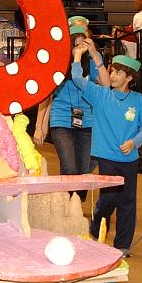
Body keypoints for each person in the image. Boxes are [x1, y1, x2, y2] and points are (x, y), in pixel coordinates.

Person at [70, 51, 142, 256]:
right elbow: (77, 79)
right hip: (107, 157)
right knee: (108, 199)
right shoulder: (101, 94)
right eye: (112, 71)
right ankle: (96, 229)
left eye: (118, 72)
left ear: (130, 77)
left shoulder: (138, 100)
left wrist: (134, 142)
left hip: (129, 159)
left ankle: (123, 245)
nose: (112, 75)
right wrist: (77, 57)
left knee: (127, 201)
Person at [34, 25, 109, 202]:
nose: (79, 48)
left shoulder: (90, 64)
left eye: (82, 44)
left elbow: (106, 85)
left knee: (84, 168)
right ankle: (68, 205)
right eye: (76, 44)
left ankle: (76, 203)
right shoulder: (58, 64)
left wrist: (95, 55)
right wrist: (40, 125)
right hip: (61, 119)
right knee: (69, 166)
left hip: (88, 121)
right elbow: (46, 97)